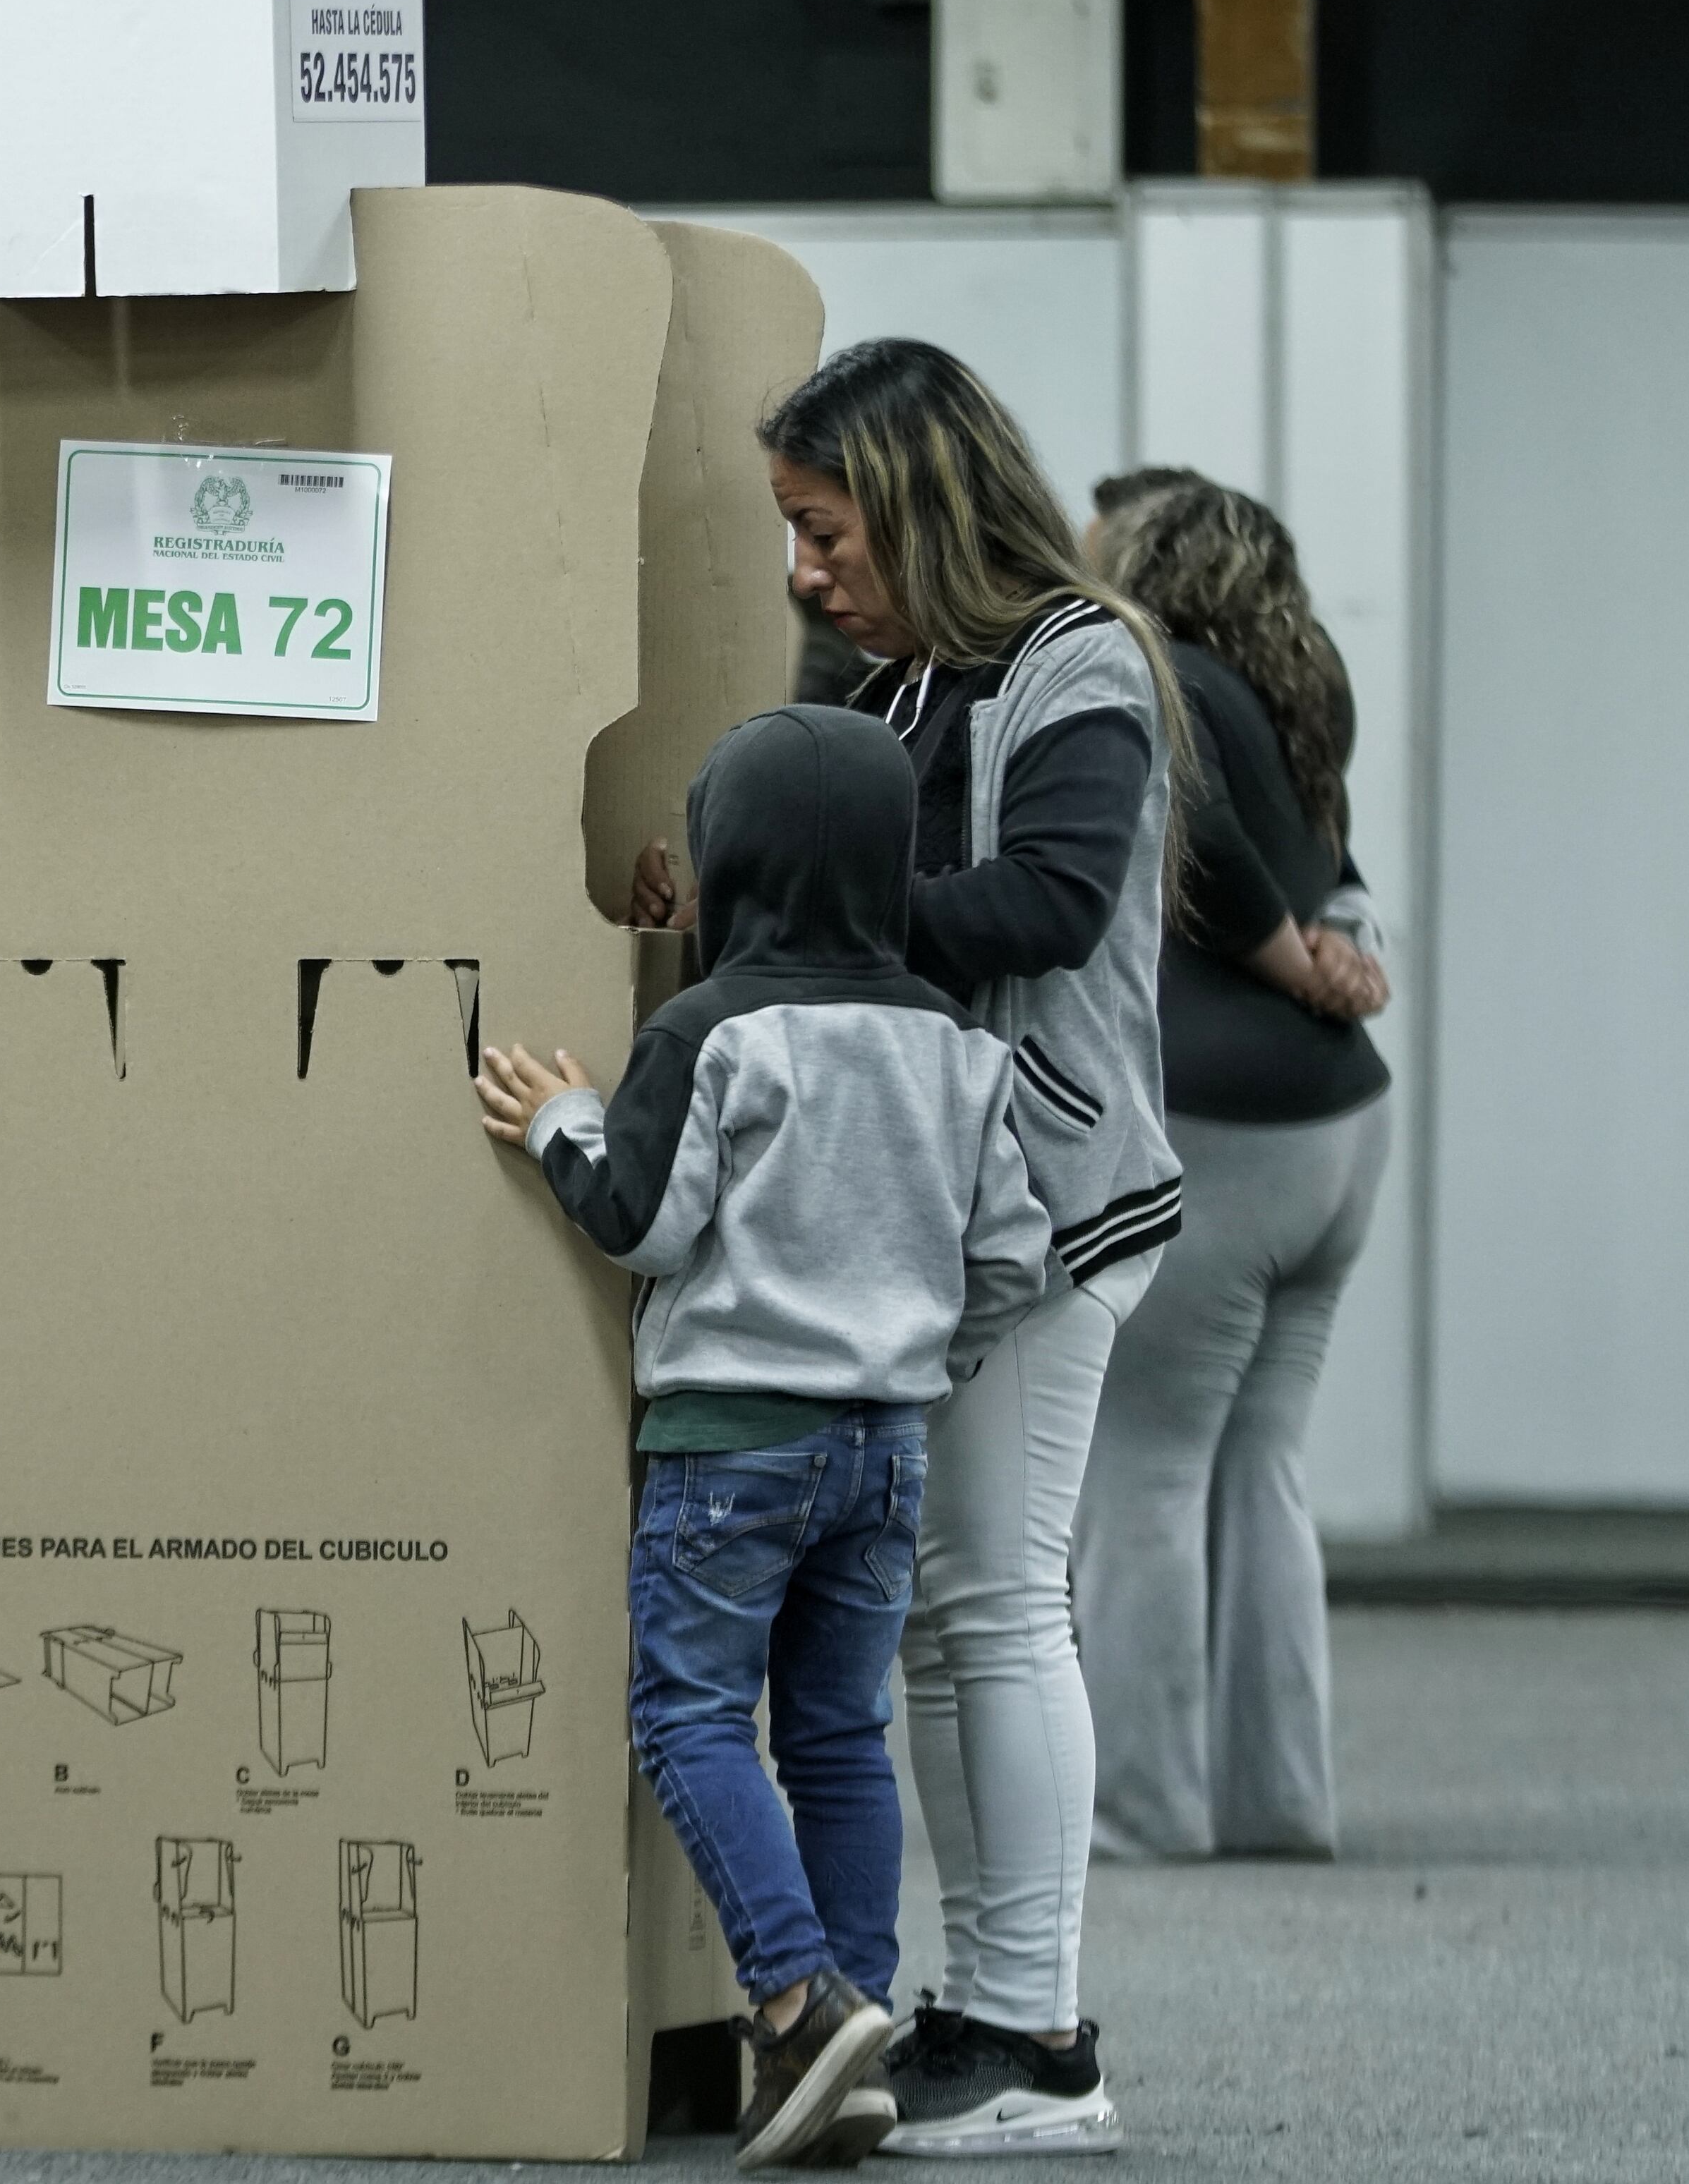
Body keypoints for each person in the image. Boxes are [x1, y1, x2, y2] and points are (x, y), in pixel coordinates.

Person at [631, 339, 1187, 2157]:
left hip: (1046, 1200)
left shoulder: (1077, 661)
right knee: (951, 1630)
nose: (804, 569)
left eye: (822, 526)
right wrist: (733, 892)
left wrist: (804, 923)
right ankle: (982, 2007)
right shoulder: (895, 694)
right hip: (951, 1213)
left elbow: (1050, 896)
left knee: (997, 1607)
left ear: (917, 494)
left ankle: (1039, 2036)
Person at [476, 705, 1050, 2172]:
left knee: (684, 1713)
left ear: (727, 852)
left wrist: (561, 1121)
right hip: (883, 1450)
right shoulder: (951, 1042)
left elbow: (639, 1219)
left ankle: (794, 2000)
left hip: (730, 1443)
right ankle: (851, 2028)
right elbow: (1012, 1259)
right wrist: (919, 1350)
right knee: (837, 1732)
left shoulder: (707, 1029)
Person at [1070, 471, 1393, 1861]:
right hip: (1334, 1139)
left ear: (1153, 560)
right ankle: (1278, 1797)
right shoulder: (1296, 687)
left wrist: (1285, 964)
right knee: (1261, 1459)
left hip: (1212, 1127)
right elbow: (1341, 877)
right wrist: (1335, 957)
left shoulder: (1166, 677)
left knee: (1137, 1464)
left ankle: (1143, 1806)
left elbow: (1199, 861)